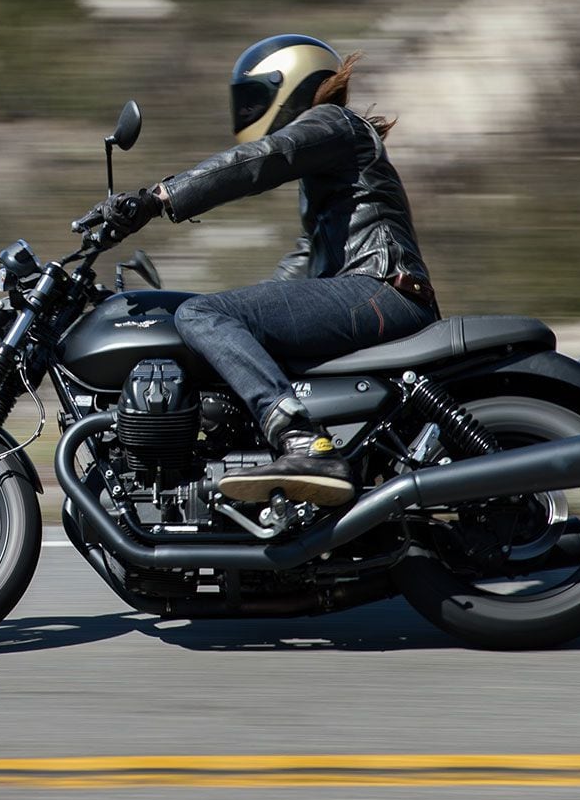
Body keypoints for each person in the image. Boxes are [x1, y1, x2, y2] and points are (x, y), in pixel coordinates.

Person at [77, 35, 438, 508]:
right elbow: (301, 265)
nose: (247, 113)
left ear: (291, 85)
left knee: (201, 315)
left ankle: (302, 442)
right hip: (367, 294)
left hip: (381, 290)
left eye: (255, 99)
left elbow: (259, 162)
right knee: (207, 319)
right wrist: (228, 330)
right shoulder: (329, 170)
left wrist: (159, 197)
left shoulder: (334, 122)